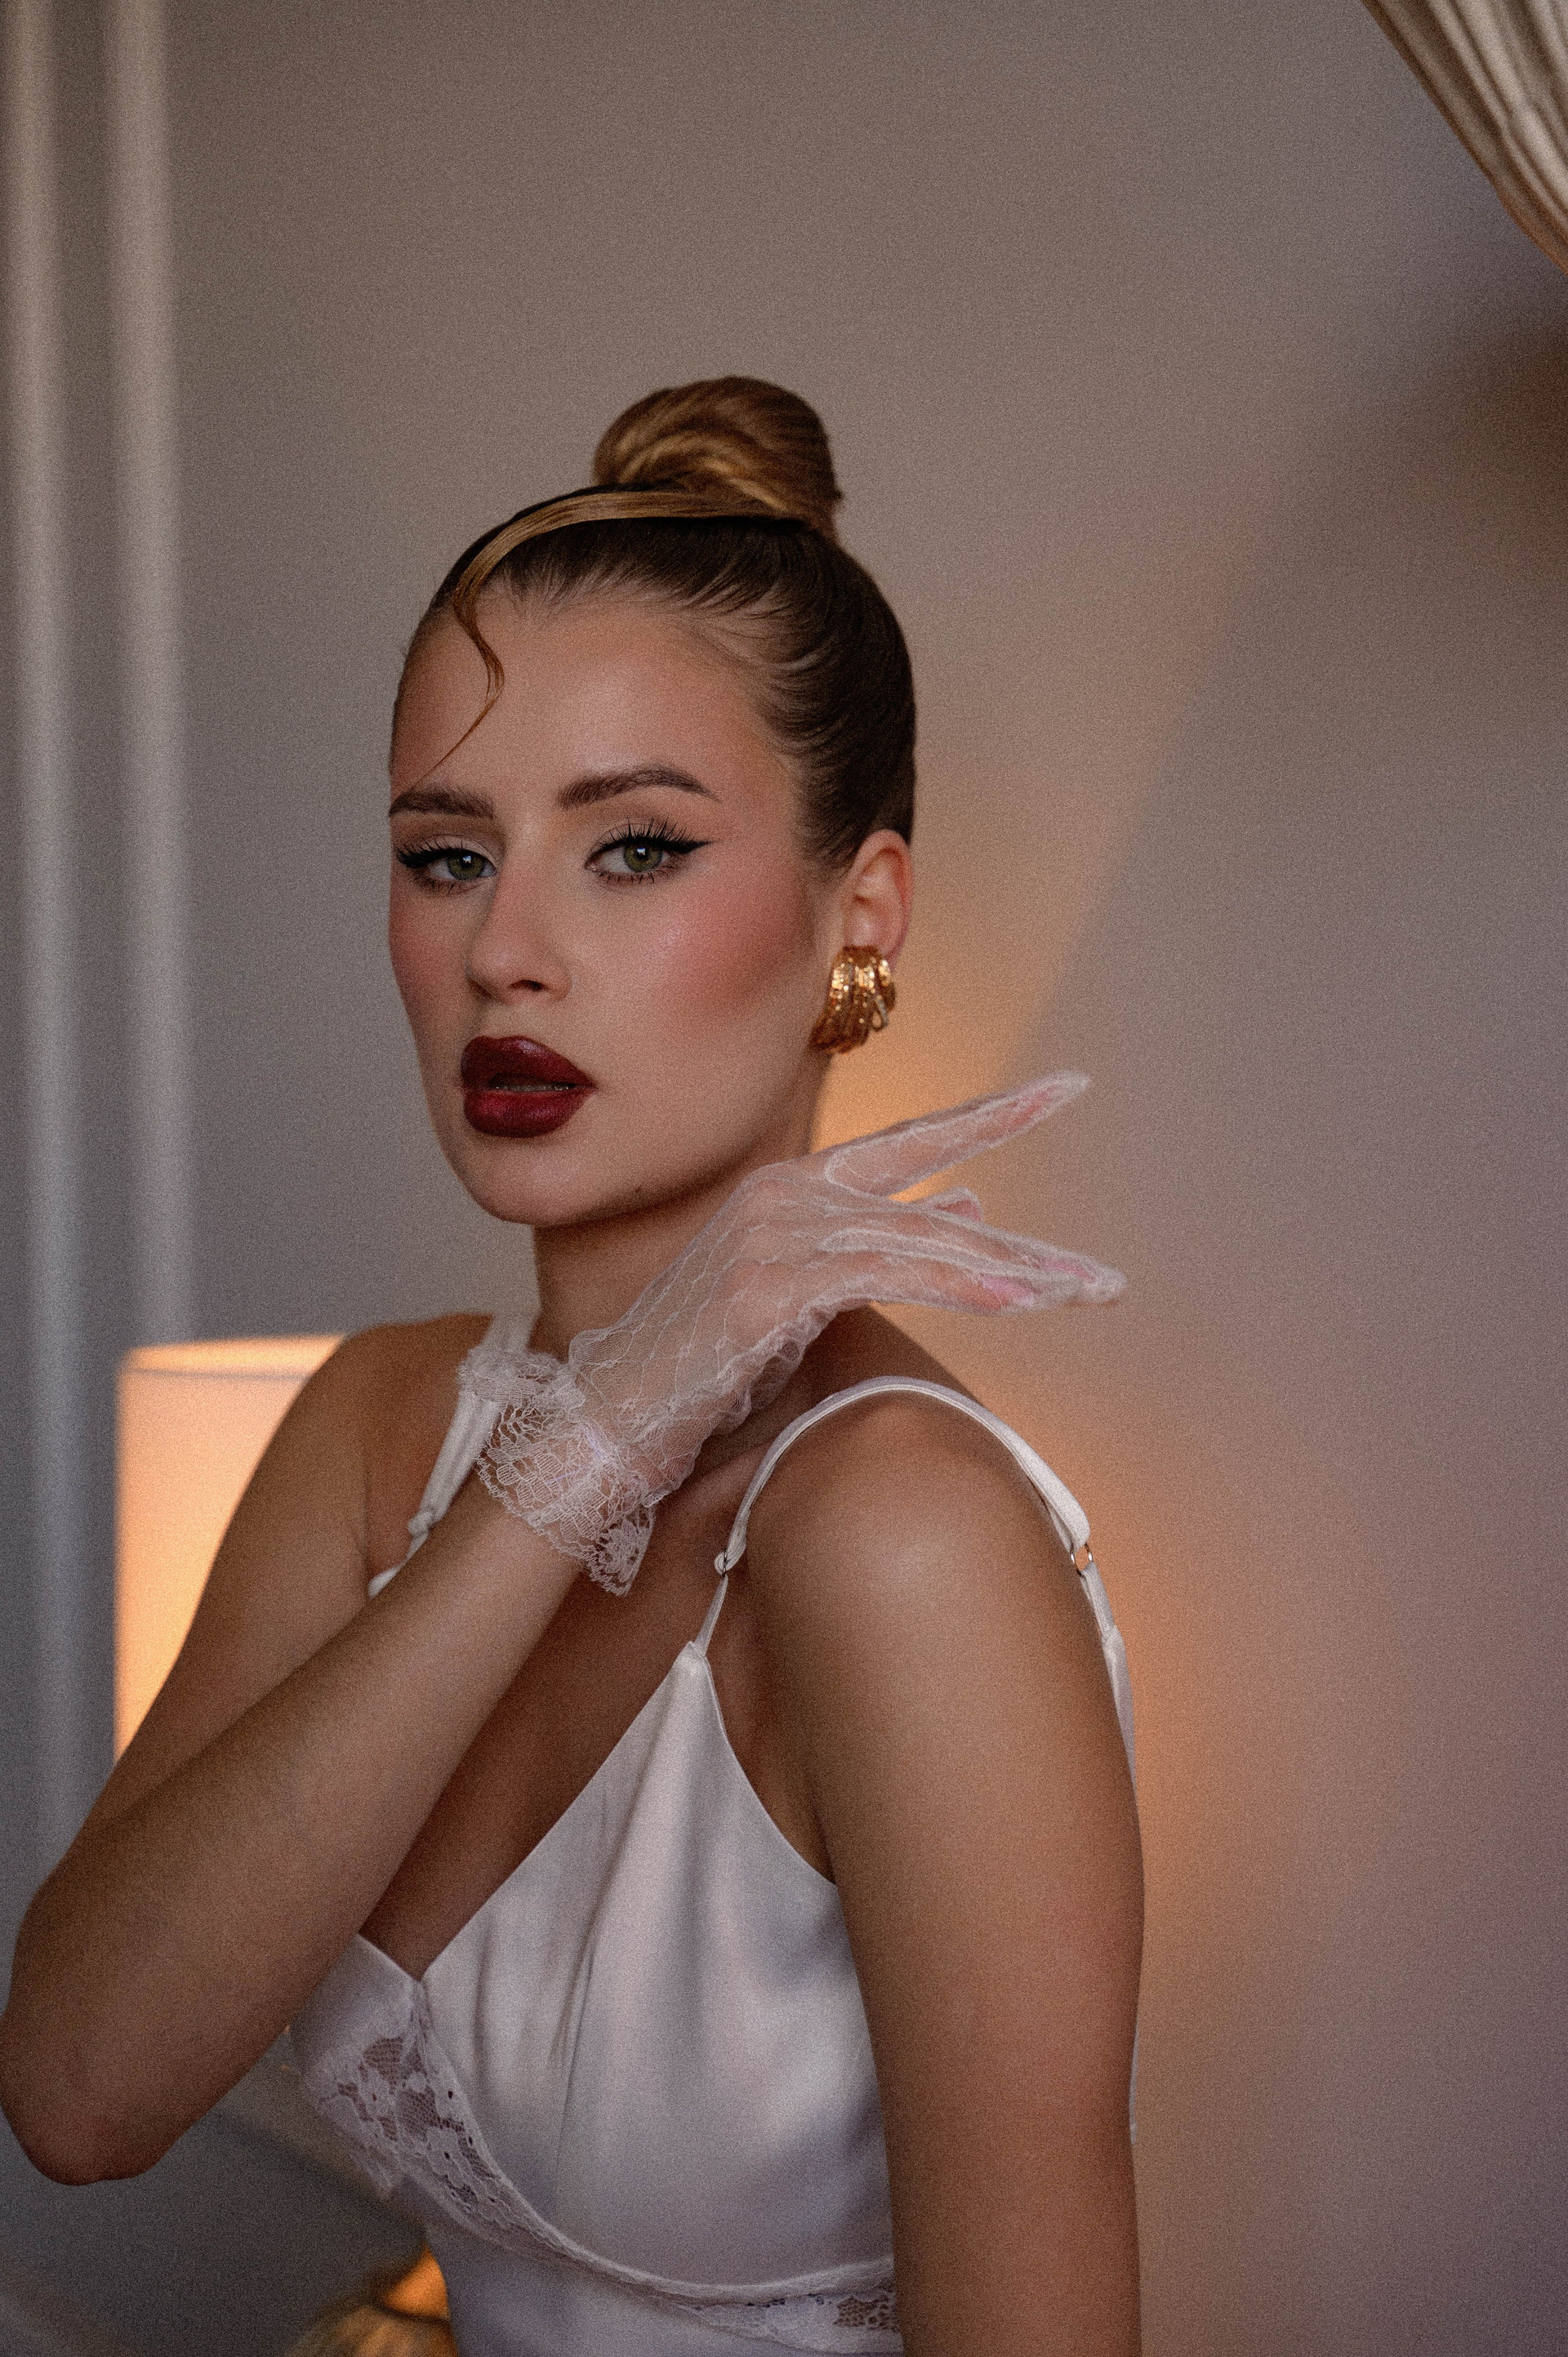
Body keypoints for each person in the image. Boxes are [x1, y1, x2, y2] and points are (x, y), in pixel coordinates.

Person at [0, 377, 1143, 2356]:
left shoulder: (900, 1541)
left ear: (861, 915)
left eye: (635, 847)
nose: (504, 951)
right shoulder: (375, 1427)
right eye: (448, 856)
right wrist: (595, 1434)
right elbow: (79, 2092)